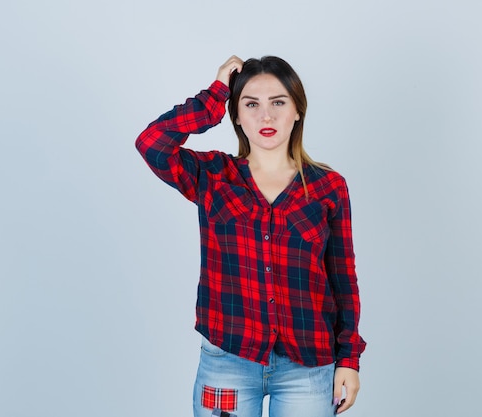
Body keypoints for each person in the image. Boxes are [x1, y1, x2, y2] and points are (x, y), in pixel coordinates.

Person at [135, 55, 366, 417]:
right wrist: (214, 95)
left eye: (278, 102)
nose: (266, 116)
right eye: (251, 104)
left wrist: (349, 359)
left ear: (297, 111)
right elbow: (152, 143)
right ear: (237, 116)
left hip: (307, 366)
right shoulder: (212, 176)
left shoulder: (328, 187)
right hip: (228, 362)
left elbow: (343, 280)